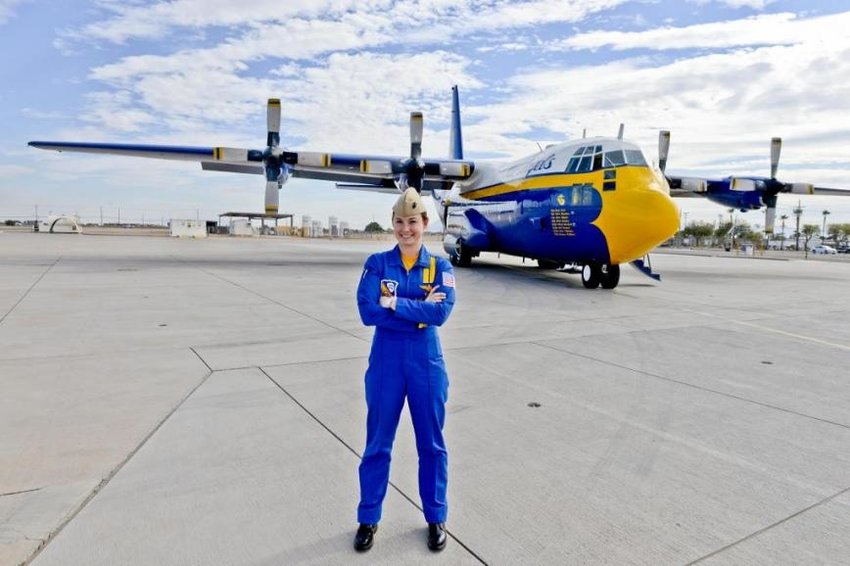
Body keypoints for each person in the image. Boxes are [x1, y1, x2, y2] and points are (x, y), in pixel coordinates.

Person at [353, 187, 457, 552]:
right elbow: (368, 312)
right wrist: (417, 313)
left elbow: (440, 313)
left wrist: (395, 304)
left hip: (426, 365)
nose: (405, 229)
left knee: (432, 444)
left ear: (424, 223)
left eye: (412, 221)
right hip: (386, 364)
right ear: (393, 224)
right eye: (399, 222)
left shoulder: (440, 267)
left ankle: (435, 516)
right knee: (378, 444)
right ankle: (368, 518)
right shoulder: (377, 264)